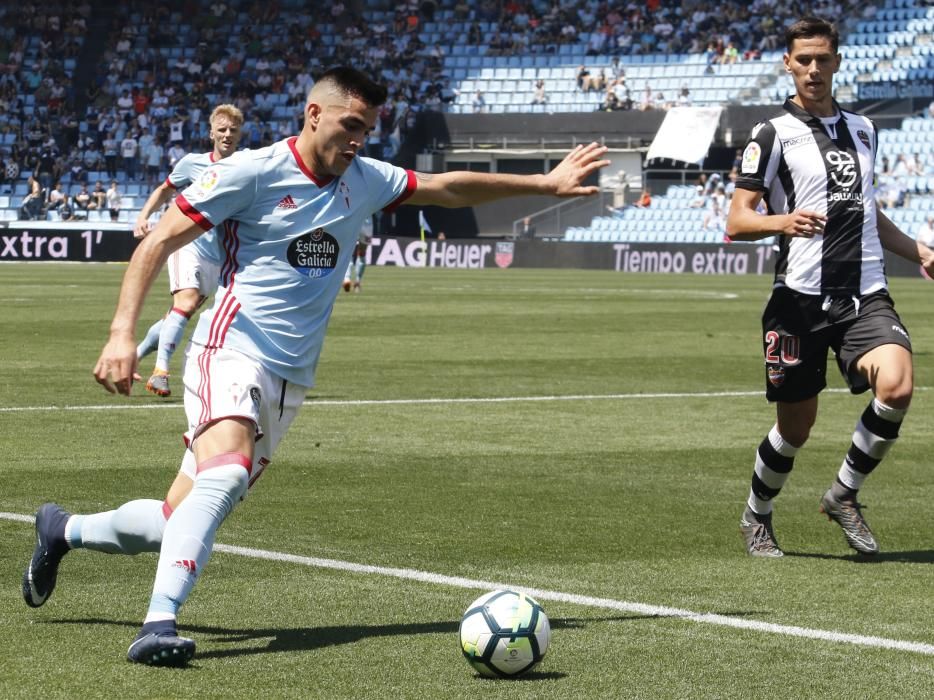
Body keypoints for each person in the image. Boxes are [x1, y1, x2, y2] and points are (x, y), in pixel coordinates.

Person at [20, 66, 608, 667]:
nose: (358, 140)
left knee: (176, 516)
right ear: (313, 114)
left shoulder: (366, 178)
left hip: (288, 379)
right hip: (230, 347)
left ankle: (61, 531)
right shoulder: (251, 171)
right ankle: (157, 624)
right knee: (224, 475)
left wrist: (545, 185)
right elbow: (156, 243)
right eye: (350, 125)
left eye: (368, 129)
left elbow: (448, 187)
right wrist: (122, 334)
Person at [726, 18, 934, 558]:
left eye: (823, 58)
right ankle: (757, 514)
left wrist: (920, 251)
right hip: (797, 301)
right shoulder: (770, 134)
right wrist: (782, 221)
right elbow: (737, 220)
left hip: (864, 292)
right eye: (804, 60)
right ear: (788, 65)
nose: (814, 69)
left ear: (838, 62)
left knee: (898, 385)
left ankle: (843, 493)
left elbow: (870, 214)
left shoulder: (865, 129)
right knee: (795, 429)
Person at [133, 104, 244, 398]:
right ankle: (160, 372)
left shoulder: (247, 166)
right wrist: (144, 217)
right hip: (187, 244)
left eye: (233, 130)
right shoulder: (192, 164)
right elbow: (164, 190)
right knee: (185, 303)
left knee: (180, 313)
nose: (227, 134)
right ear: (211, 133)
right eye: (222, 129)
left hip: (219, 257)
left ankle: (136, 354)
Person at [342, 214, 373, 293]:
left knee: (349, 252)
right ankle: (357, 281)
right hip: (367, 223)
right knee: (362, 253)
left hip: (353, 220)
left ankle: (347, 278)